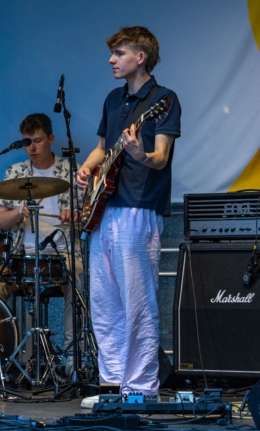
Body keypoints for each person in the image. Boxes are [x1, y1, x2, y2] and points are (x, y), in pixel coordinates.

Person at [76, 26, 181, 404]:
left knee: (138, 301)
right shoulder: (112, 99)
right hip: (106, 208)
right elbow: (102, 148)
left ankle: (139, 388)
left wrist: (138, 153)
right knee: (105, 302)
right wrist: (87, 169)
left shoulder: (164, 100)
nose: (111, 60)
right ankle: (112, 383)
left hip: (139, 207)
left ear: (141, 57)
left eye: (119, 53)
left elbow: (160, 158)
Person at [0, 113, 79, 378]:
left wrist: (74, 216)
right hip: (21, 256)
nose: (32, 148)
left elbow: (88, 218)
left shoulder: (72, 172)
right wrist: (18, 213)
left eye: (38, 141)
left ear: (50, 139)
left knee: (79, 279)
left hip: (63, 255)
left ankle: (73, 357)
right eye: (27, 142)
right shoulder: (15, 173)